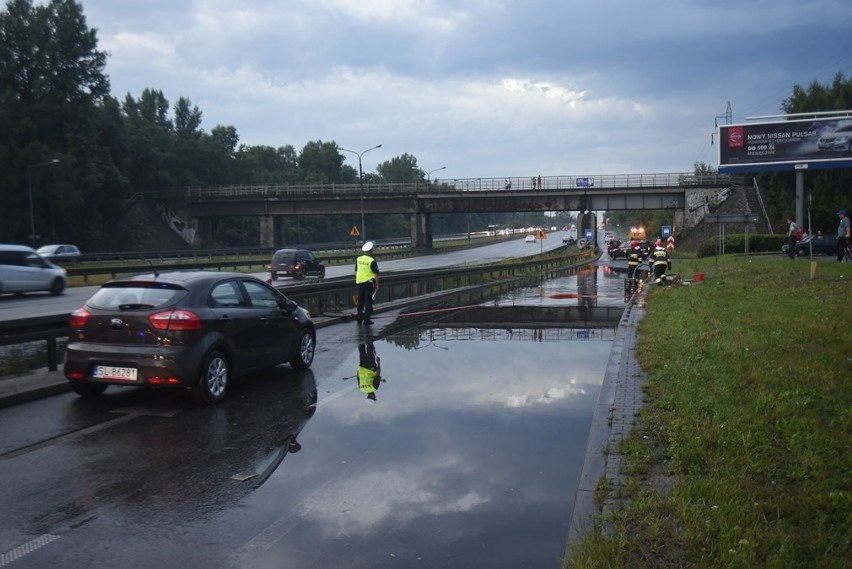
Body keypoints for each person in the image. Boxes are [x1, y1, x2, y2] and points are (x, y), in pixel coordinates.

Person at [355, 241, 380, 325]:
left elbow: (355, 271)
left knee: (360, 301)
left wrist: (358, 278)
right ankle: (366, 320)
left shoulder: (359, 259)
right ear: (371, 250)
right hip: (369, 283)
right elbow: (376, 274)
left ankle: (359, 319)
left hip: (360, 282)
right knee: (368, 301)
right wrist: (377, 285)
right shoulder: (372, 260)